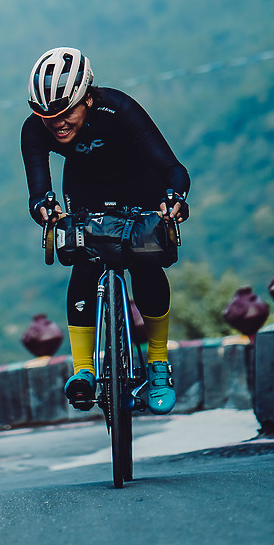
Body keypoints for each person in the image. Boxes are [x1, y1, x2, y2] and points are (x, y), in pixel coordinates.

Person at [21, 46, 190, 414]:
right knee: (85, 263)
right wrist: (45, 209)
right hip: (86, 189)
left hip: (139, 185)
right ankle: (83, 371)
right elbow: (37, 194)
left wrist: (173, 198)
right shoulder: (35, 129)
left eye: (65, 113)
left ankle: (158, 363)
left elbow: (174, 170)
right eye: (47, 116)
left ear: (88, 99)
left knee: (146, 262)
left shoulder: (119, 109)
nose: (56, 123)